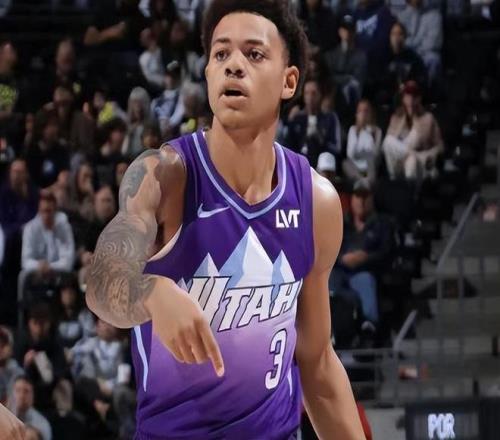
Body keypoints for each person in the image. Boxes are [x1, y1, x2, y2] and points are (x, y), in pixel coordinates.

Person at [85, 0, 365, 438]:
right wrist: (150, 291)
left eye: (254, 54)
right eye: (221, 54)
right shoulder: (166, 175)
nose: (234, 65)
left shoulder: (316, 200)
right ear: (208, 73)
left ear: (289, 81)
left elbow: (318, 366)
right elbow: (101, 281)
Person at [330, 179, 393, 342]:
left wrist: (365, 258)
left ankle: (368, 326)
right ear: (352, 199)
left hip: (364, 272)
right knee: (327, 282)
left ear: (372, 199)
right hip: (340, 271)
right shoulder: (341, 221)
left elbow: (386, 252)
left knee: (366, 280)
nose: (362, 201)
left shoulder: (382, 224)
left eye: (366, 196)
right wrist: (342, 258)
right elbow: (325, 248)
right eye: (358, 196)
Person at [19, 192, 75, 306]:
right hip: (37, 272)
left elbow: (68, 261)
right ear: (39, 211)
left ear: (55, 210)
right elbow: (25, 261)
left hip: (58, 273)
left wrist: (50, 267)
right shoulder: (30, 228)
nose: (46, 215)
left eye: (49, 211)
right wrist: (39, 265)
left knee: (70, 277)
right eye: (43, 211)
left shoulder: (64, 227)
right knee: (25, 277)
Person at [382, 80, 444, 180]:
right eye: (407, 96)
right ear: (403, 98)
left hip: (417, 165)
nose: (410, 99)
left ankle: (410, 189)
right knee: (388, 140)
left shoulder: (428, 118)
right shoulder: (396, 117)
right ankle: (417, 156)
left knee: (412, 159)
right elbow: (389, 146)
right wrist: (403, 120)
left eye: (414, 96)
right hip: (397, 164)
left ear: (419, 98)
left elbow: (440, 146)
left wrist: (429, 155)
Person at [286, 78, 343, 168]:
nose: (310, 97)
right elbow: (289, 145)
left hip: (322, 164)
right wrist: (290, 122)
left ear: (320, 96)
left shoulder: (329, 118)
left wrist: (320, 140)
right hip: (300, 163)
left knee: (325, 158)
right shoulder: (298, 119)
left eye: (314, 93)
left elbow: (335, 148)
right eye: (307, 93)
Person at [324, 15, 367, 110]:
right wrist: (347, 78)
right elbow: (329, 78)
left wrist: (339, 78)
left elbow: (357, 80)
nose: (347, 32)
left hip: (352, 101)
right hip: (334, 99)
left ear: (355, 32)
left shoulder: (361, 56)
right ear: (339, 31)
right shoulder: (331, 55)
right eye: (344, 29)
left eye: (350, 29)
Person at [397, 0, 443, 84]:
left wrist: (412, 46)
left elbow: (431, 44)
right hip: (407, 52)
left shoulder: (434, 16)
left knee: (433, 59)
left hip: (424, 54)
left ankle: (427, 88)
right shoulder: (404, 15)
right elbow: (400, 38)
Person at [343, 99, 382, 184]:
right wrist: (358, 131)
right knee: (345, 163)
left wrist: (369, 133)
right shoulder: (353, 129)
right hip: (356, 164)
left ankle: (364, 182)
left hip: (369, 164)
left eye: (366, 111)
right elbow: (350, 154)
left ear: (371, 113)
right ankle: (362, 182)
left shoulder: (377, 131)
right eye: (360, 111)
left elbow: (375, 154)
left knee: (369, 163)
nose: (363, 114)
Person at [8, 376, 52, 440]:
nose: (21, 396)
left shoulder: (42, 425)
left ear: (33, 396)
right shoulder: (3, 415)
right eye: (18, 390)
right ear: (11, 394)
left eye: (26, 391)